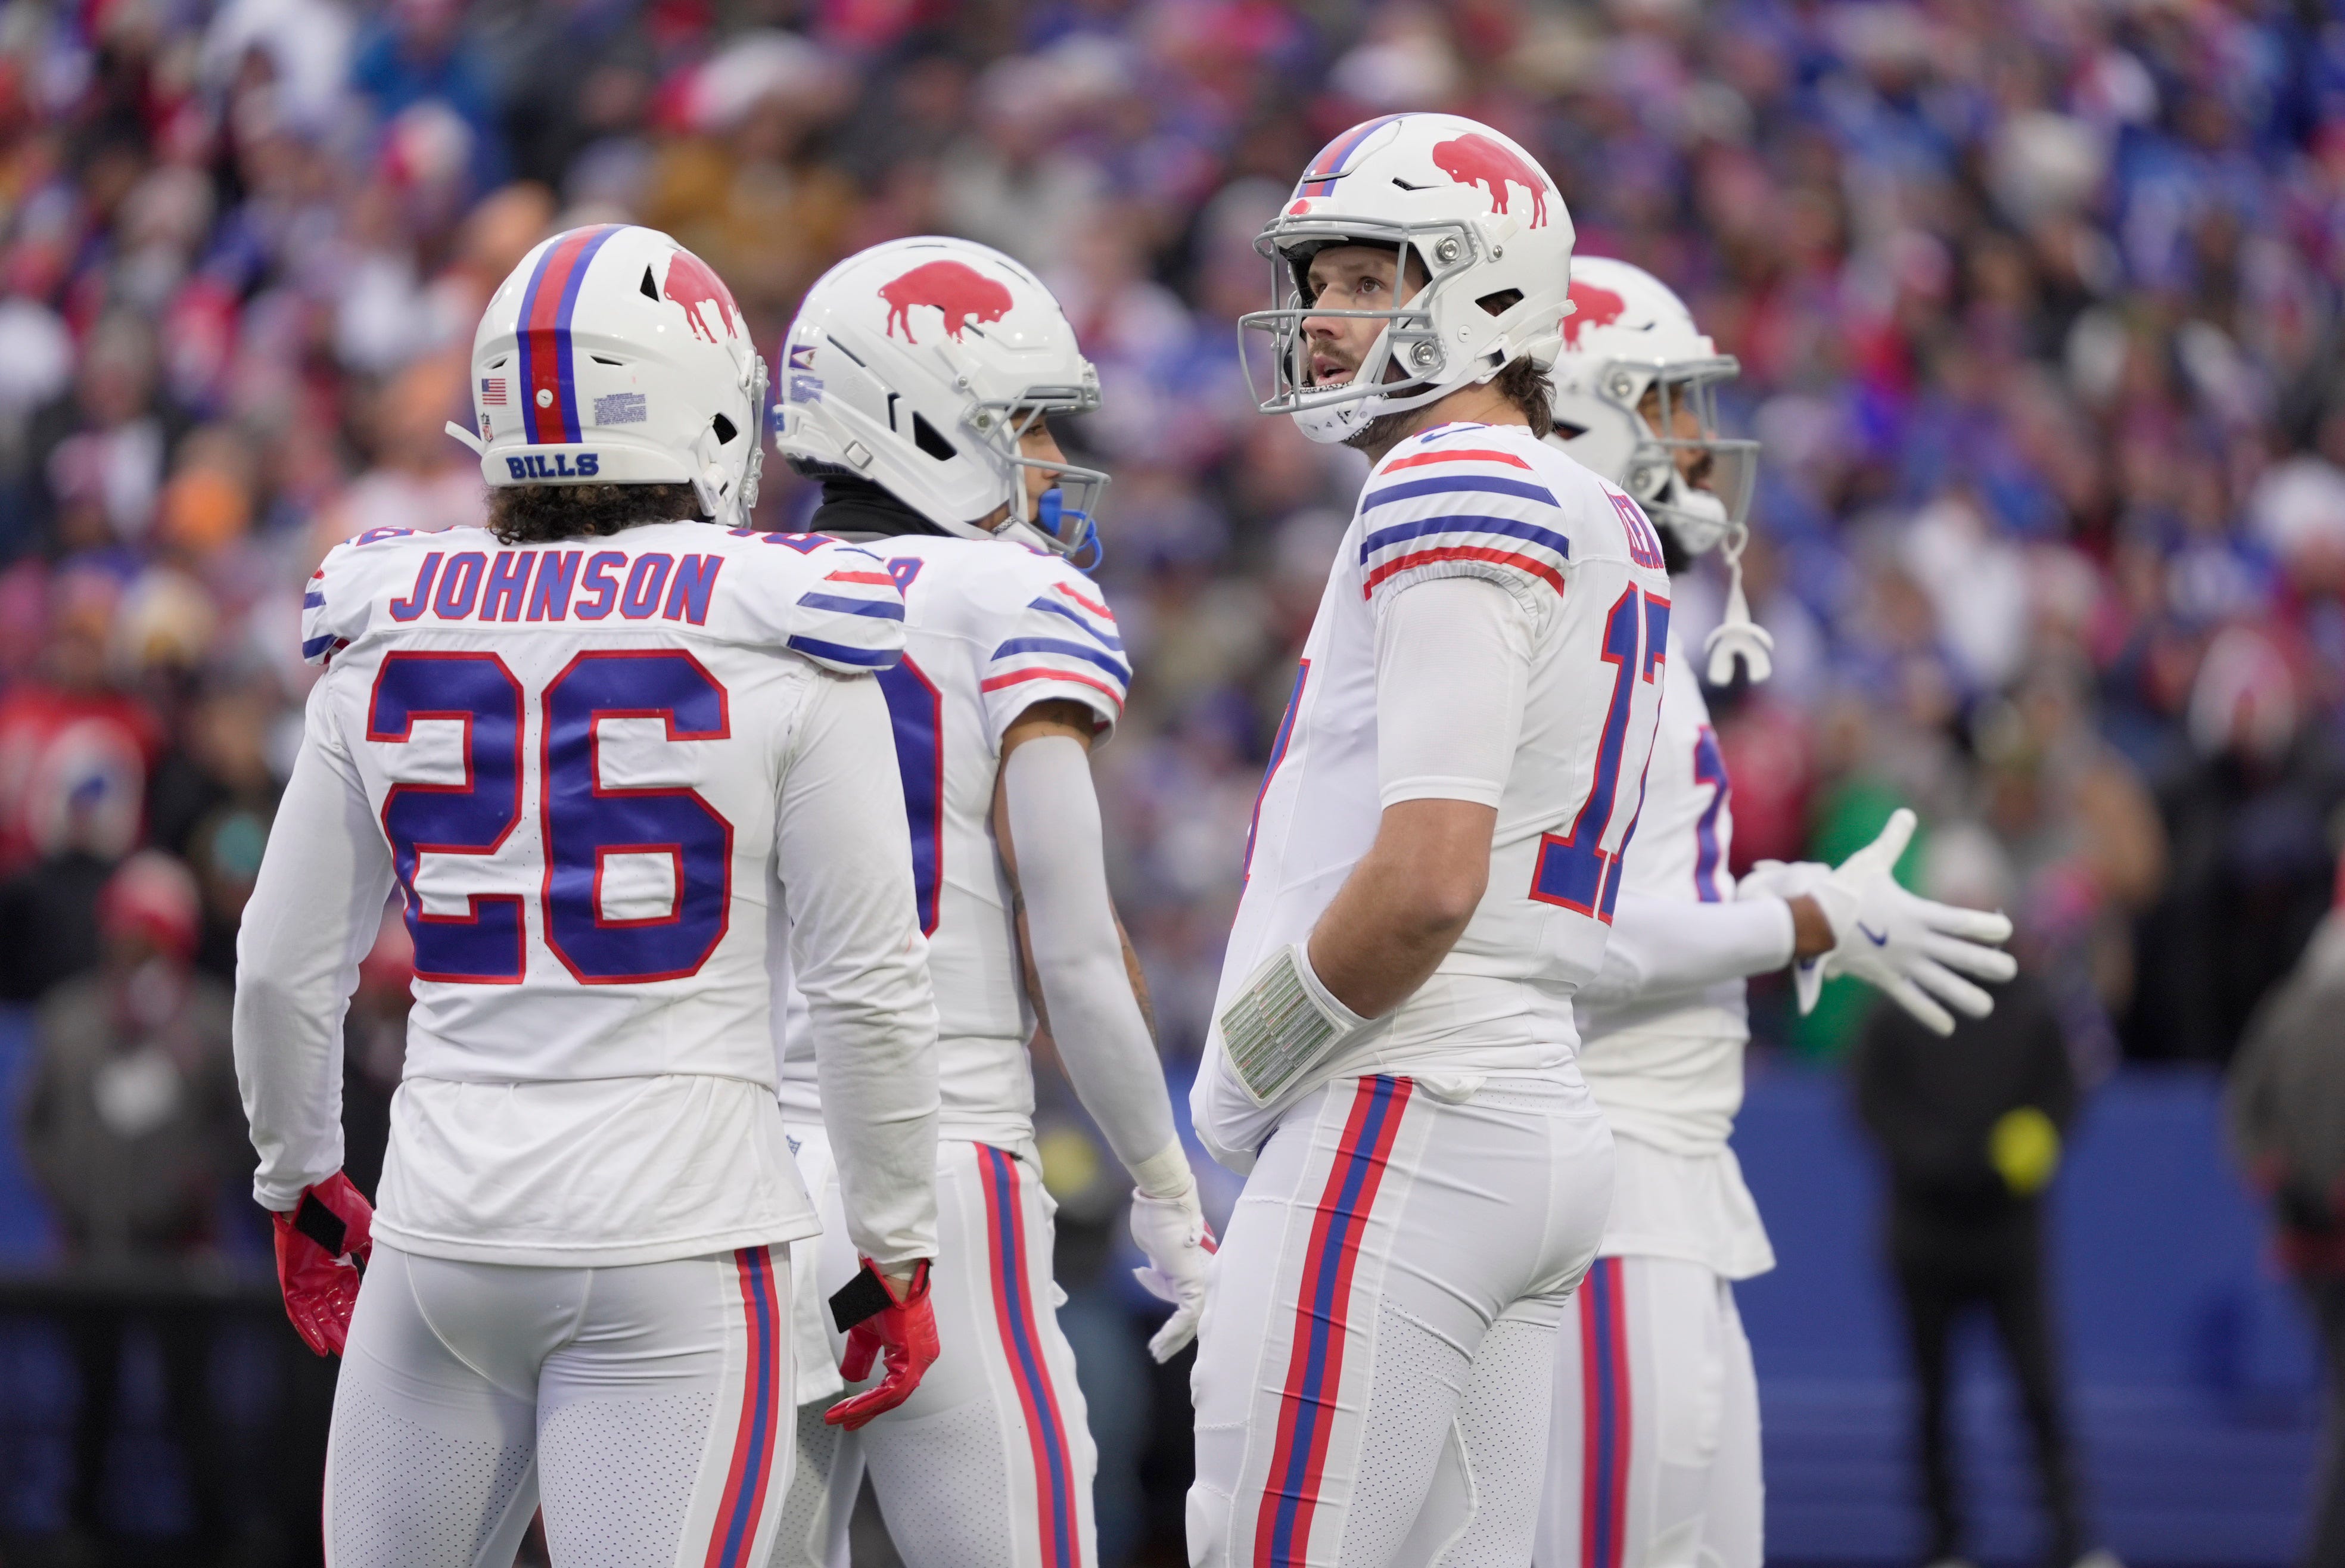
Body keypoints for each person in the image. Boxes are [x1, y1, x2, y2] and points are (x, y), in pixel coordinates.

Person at [232, 223, 944, 1567]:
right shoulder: (788, 622)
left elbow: (281, 963)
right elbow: (865, 984)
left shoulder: (388, 611)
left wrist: (301, 1177)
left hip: (439, 1236)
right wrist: (894, 1244)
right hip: (682, 1241)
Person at [1186, 113, 1663, 1566]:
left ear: (1486, 290)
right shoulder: (1592, 504)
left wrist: (1246, 1062)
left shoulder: (1451, 484)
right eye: (1317, 283)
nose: (1321, 323)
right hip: (1523, 1106)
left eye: (1362, 281)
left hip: (1409, 1106)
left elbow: (1427, 882)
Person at [1530, 258, 2019, 1568]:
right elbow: (1567, 941)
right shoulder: (1570, 612)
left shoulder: (1621, 606)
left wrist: (1775, 896)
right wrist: (1800, 920)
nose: (1698, 439)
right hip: (1603, 1185)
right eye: (1670, 401)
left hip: (1664, 1177)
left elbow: (1621, 902)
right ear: (1587, 406)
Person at [765, 234, 1214, 1568]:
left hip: (731, 1159)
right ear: (918, 417)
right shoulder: (1009, 596)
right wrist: (1166, 1187)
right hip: (943, 1144)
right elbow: (1075, 951)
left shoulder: (721, 589)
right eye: (1018, 422)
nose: (1042, 459)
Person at [1853, 825, 2109, 1568]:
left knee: (2040, 1389)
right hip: (1922, 1233)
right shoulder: (1894, 1007)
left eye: (1977, 901)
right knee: (1932, 1399)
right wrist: (1938, 1157)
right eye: (1952, 901)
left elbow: (2062, 1094)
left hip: (2009, 1233)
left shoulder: (2032, 1003)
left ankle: (2072, 1542)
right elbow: (1869, 1102)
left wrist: (2022, 1149)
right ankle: (1943, 1546)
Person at [18, 850, 242, 1555]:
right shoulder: (70, 1018)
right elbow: (33, 1124)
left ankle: (217, 1534)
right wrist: (72, 1191)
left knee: (191, 1403)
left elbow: (239, 1129)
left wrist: (192, 1185)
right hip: (90, 1246)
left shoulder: (210, 1022)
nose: (135, 946)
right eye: (128, 930)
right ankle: (79, 1530)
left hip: (181, 1247)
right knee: (92, 1399)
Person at [2226, 860, 2345, 1568]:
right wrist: (2284, 1180)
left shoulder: (2290, 1007)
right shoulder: (2296, 1012)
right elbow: (2248, 1115)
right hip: (2316, 1245)